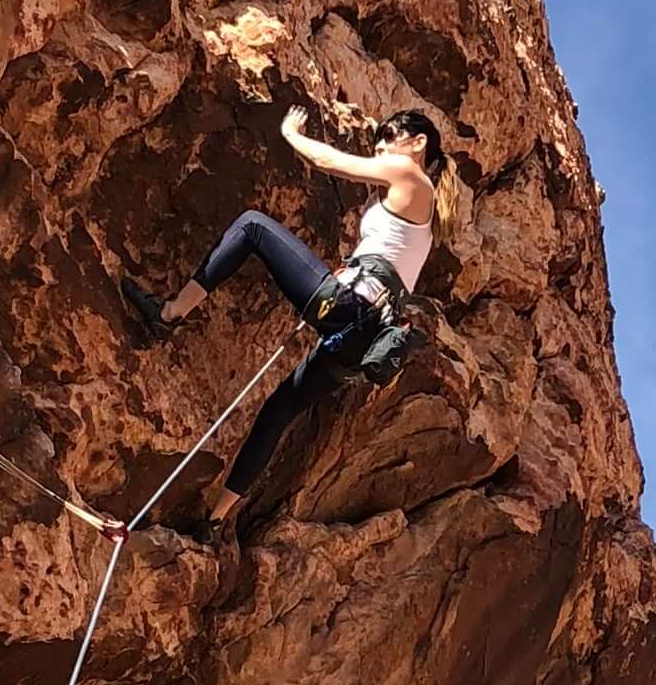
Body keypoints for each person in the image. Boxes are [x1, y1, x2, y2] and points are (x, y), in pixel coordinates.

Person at [122, 103, 446, 509]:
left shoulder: (410, 174)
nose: (379, 147)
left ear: (418, 144)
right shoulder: (422, 215)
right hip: (365, 339)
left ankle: (169, 314)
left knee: (253, 225)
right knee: (280, 408)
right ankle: (218, 517)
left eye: (388, 137)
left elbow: (333, 162)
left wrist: (292, 134)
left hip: (347, 308)